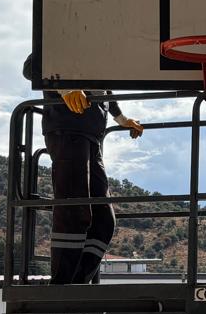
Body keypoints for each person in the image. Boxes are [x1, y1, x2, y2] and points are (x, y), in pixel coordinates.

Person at [24, 58, 143, 285]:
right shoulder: (60, 37)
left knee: (104, 219)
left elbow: (103, 88)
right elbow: (31, 68)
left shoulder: (98, 46)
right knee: (74, 210)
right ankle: (62, 282)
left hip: (92, 137)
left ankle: (79, 279)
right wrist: (65, 89)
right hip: (66, 131)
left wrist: (122, 118)